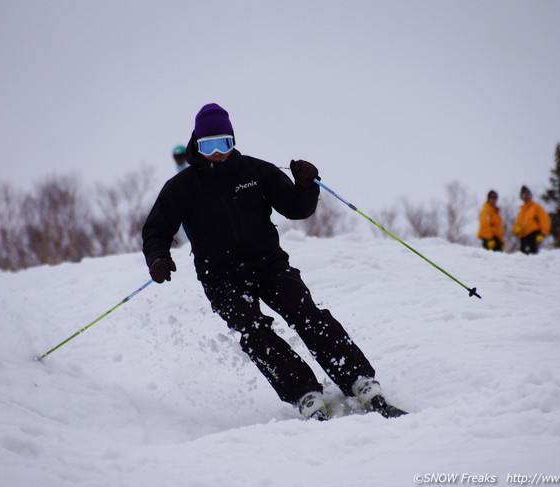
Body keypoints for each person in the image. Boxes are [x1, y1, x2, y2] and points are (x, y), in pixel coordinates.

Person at [142, 103, 406, 421]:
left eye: (223, 144)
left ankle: (359, 381)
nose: (217, 154)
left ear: (233, 141)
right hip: (221, 278)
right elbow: (156, 229)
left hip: (268, 265)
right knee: (254, 332)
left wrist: (306, 185)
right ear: (196, 145)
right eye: (208, 146)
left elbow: (296, 208)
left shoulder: (257, 172)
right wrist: (158, 258)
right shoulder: (182, 188)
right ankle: (305, 393)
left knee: (307, 314)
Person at [513, 185, 551, 254]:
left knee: (533, 256)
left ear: (530, 195)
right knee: (523, 257)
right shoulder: (521, 212)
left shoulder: (536, 208)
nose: (526, 197)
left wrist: (543, 234)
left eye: (527, 194)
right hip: (523, 238)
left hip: (534, 236)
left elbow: (544, 220)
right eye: (524, 195)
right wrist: (516, 229)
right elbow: (517, 224)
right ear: (521, 197)